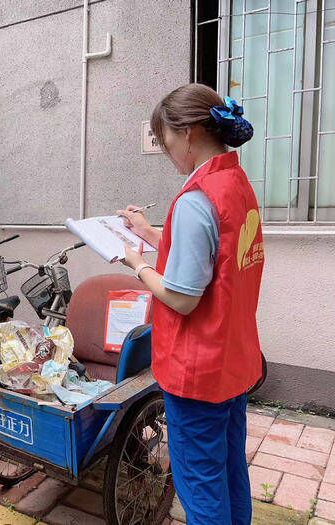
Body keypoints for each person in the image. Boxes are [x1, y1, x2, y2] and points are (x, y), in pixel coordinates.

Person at [118, 83, 264, 525]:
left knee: (198, 482)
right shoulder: (234, 184)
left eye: (165, 144)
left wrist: (138, 267)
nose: (168, 154)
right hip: (233, 360)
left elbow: (182, 296)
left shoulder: (196, 199)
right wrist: (147, 232)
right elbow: (211, 258)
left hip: (196, 372)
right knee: (229, 468)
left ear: (187, 134)